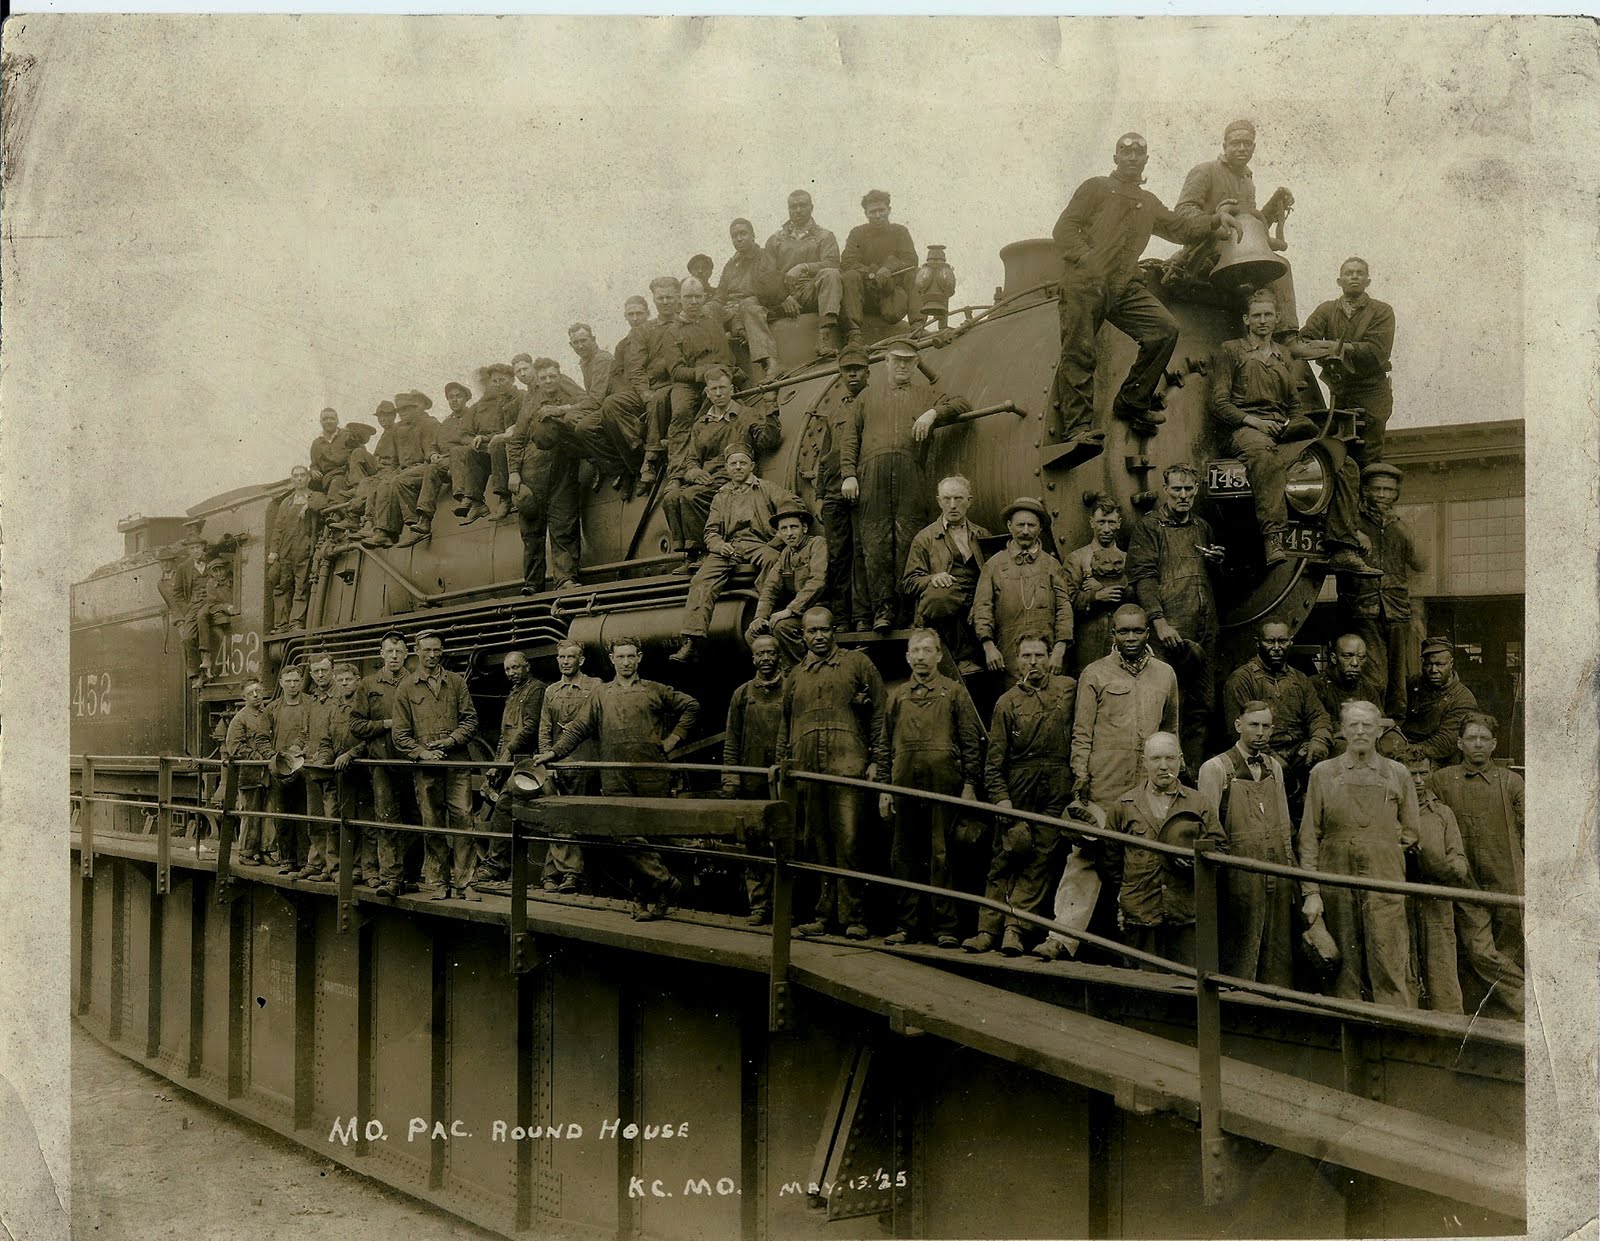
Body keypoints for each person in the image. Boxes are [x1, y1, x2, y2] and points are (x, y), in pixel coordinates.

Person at [1048, 131, 1238, 458]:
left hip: (1123, 285)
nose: (1132, 156)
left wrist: (1213, 222)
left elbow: (1179, 228)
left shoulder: (1148, 203)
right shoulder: (1095, 187)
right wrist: (1087, 259)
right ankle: (1077, 428)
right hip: (1084, 283)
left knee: (1164, 329)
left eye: (1139, 151)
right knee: (1080, 351)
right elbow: (1063, 229)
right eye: (1126, 150)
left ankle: (1133, 401)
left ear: (1147, 159)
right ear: (1116, 157)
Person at [1206, 288, 1379, 574]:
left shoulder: (1285, 356)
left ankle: (1343, 547)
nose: (1262, 321)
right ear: (1246, 320)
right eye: (1256, 316)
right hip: (1242, 430)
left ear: (1276, 319)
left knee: (1343, 464)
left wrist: (1295, 426)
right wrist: (1254, 422)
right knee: (1266, 457)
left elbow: (1294, 405)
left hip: (1279, 429)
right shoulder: (1231, 350)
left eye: (1268, 315)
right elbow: (1219, 403)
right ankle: (1273, 537)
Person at [532, 636, 694, 922]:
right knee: (623, 834)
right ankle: (664, 885)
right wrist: (553, 753)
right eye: (620, 657)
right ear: (612, 660)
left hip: (651, 774)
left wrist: (672, 741)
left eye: (631, 656)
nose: (626, 662)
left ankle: (645, 900)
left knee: (650, 835)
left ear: (639, 657)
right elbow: (579, 729)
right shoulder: (601, 694)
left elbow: (691, 707)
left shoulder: (653, 691)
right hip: (615, 774)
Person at [839, 339, 972, 631]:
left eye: (908, 361)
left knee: (908, 540)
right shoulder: (867, 396)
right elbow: (850, 438)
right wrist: (848, 473)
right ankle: (882, 612)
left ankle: (908, 613)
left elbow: (962, 402)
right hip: (871, 473)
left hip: (910, 472)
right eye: (896, 360)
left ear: (916, 364)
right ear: (886, 362)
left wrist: (933, 412)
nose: (902, 366)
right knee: (874, 543)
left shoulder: (926, 395)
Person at [1298, 700, 1420, 1007]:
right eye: (1353, 725)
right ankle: (1345, 1038)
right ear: (1342, 730)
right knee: (1342, 966)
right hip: (1335, 876)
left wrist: (1381, 847)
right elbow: (1309, 836)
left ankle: (1395, 1034)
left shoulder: (1398, 774)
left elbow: (1411, 832)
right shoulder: (1322, 774)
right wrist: (1311, 891)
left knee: (1390, 959)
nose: (1361, 731)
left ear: (1379, 730)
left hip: (1385, 878)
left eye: (1368, 725)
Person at [964, 633, 1077, 957]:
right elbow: (994, 762)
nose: (1033, 662)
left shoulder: (1068, 690)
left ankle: (1015, 930)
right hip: (1018, 786)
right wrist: (1002, 799)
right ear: (1016, 661)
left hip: (1055, 785)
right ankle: (987, 930)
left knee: (1039, 859)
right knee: (1005, 856)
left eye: (1039, 655)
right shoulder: (1006, 702)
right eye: (1026, 656)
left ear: (1049, 658)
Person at [777, 608, 885, 941]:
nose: (819, 637)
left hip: (846, 767)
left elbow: (881, 712)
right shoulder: (795, 675)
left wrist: (877, 760)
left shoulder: (857, 664)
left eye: (824, 630)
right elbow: (786, 724)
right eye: (812, 632)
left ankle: (854, 917)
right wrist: (784, 766)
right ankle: (823, 916)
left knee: (850, 841)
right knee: (817, 843)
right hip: (808, 770)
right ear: (803, 635)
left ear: (834, 631)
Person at [874, 630, 984, 948]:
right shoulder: (896, 696)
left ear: (938, 655)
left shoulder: (953, 693)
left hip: (944, 786)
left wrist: (970, 785)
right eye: (915, 651)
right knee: (903, 856)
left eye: (927, 650)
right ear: (907, 657)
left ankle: (944, 928)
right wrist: (885, 789)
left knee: (942, 855)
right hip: (904, 785)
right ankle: (906, 926)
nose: (921, 656)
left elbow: (969, 744)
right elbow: (884, 746)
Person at [1102, 732, 1225, 969]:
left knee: (1185, 987)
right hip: (1140, 914)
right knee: (1142, 986)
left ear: (1180, 760)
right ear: (1144, 762)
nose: (1163, 766)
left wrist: (1194, 861)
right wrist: (1130, 895)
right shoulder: (1124, 806)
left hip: (1185, 913)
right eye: (1156, 758)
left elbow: (1220, 850)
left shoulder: (1199, 803)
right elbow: (1110, 860)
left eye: (1169, 758)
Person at [1126, 463, 1221, 771]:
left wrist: (1218, 563)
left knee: (1201, 707)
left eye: (1189, 489)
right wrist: (1159, 621)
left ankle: (1190, 773)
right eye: (1177, 489)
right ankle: (1157, 776)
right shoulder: (1150, 526)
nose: (1183, 495)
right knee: (1165, 707)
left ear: (1196, 490)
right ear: (1165, 490)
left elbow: (1210, 579)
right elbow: (1144, 576)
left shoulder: (1202, 527)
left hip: (1204, 630)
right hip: (1170, 633)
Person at [1197, 701, 1297, 987]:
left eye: (1266, 726)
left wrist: (1288, 867)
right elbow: (1209, 829)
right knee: (1238, 948)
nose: (1260, 732)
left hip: (1274, 869)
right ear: (1238, 725)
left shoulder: (1274, 768)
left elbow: (1283, 823)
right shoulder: (1216, 769)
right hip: (1237, 874)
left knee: (1275, 950)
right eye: (1254, 725)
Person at [671, 448, 794, 663]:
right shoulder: (721, 496)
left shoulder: (767, 488)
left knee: (774, 562)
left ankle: (767, 624)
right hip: (730, 547)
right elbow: (710, 532)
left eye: (743, 463)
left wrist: (776, 541)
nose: (738, 468)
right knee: (701, 580)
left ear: (752, 466)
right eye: (733, 464)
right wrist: (720, 546)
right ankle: (693, 640)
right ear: (727, 468)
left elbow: (793, 505)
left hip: (759, 543)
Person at [660, 369, 780, 574]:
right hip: (705, 478)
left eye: (722, 388)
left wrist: (770, 405)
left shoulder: (747, 415)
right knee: (671, 497)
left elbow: (767, 440)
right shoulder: (701, 424)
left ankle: (706, 551)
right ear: (707, 392)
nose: (718, 393)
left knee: (691, 496)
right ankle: (690, 555)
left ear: (731, 389)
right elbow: (692, 460)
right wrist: (694, 472)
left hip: (732, 476)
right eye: (713, 389)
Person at [1428, 713, 1524, 962]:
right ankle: (1520, 996)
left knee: (1510, 950)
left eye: (1484, 738)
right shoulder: (1441, 781)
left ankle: (1506, 999)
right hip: (1466, 881)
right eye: (1472, 738)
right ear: (1460, 743)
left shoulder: (1512, 782)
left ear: (1494, 744)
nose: (1478, 743)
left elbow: (1529, 832)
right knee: (1480, 952)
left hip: (1507, 881)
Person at [393, 630, 480, 901]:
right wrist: (423, 753)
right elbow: (400, 734)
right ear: (417, 652)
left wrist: (451, 741)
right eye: (427, 650)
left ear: (442, 652)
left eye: (437, 651)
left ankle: (465, 883)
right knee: (432, 824)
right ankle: (439, 882)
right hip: (426, 768)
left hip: (457, 763)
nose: (432, 656)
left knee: (463, 819)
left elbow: (471, 720)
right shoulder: (406, 688)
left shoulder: (456, 682)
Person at [1072, 605, 1181, 808]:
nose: (1131, 637)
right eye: (1123, 631)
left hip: (1149, 781)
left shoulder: (1165, 674)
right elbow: (1082, 733)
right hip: (1105, 780)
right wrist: (1081, 774)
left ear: (1147, 633)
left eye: (1138, 631)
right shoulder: (1094, 673)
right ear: (1113, 634)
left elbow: (1170, 731)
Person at [1223, 621, 1334, 816]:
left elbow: (1318, 715)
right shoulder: (1241, 679)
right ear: (1258, 643)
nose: (1276, 648)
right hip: (1261, 753)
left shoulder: (1299, 679)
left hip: (1300, 754)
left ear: (1291, 642)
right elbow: (1240, 732)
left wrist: (1318, 741)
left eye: (1282, 641)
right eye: (1270, 641)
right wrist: (1272, 759)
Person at [795, 345, 871, 629]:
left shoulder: (876, 401)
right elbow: (825, 456)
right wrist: (818, 496)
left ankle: (863, 615)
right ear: (840, 374)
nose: (852, 374)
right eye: (846, 369)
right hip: (835, 492)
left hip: (864, 490)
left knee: (863, 553)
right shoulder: (835, 411)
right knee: (838, 556)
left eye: (858, 369)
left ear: (867, 371)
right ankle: (841, 617)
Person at [1167, 118, 1294, 285]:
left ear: (1253, 147)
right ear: (1225, 146)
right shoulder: (1206, 171)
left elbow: (1250, 228)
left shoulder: (1248, 181)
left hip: (1238, 254)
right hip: (1204, 253)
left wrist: (1276, 205)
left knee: (1282, 267)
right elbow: (1182, 213)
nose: (1242, 148)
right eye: (1236, 143)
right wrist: (1214, 222)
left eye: (1247, 143)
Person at [1295, 257, 1396, 464]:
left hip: (1372, 390)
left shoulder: (1382, 311)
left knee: (1370, 450)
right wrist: (1331, 347)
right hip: (1339, 390)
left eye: (1360, 273)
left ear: (1367, 281)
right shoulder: (1326, 310)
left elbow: (1377, 350)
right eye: (1349, 273)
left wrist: (1335, 348)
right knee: (1338, 448)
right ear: (1339, 281)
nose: (1354, 277)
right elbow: (1303, 340)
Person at [1348, 462, 1427, 717]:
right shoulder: (1352, 522)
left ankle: (1395, 728)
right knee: (1374, 675)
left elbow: (1420, 564)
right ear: (1365, 491)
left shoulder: (1402, 526)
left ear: (1396, 494)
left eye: (1388, 490)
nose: (1382, 495)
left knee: (1399, 677)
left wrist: (1413, 535)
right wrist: (1354, 534)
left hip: (1396, 609)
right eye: (1377, 489)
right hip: (1364, 606)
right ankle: (1372, 722)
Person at [721, 634, 787, 925]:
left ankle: (787, 907)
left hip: (784, 780)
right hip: (752, 780)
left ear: (779, 656)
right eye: (760, 654)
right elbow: (732, 741)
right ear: (753, 659)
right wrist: (731, 778)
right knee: (755, 845)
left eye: (771, 653)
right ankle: (760, 906)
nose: (766, 658)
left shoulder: (791, 689)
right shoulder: (742, 694)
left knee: (787, 844)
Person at [505, 359, 588, 593]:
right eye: (544, 378)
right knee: (532, 533)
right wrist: (513, 473)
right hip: (532, 473)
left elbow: (590, 404)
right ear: (538, 381)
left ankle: (565, 579)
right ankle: (532, 584)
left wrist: (561, 410)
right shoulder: (530, 405)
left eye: (552, 376)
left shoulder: (569, 397)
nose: (549, 381)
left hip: (563, 472)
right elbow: (517, 440)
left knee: (564, 526)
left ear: (559, 376)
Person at [971, 497, 1073, 683]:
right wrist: (989, 647)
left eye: (1031, 525)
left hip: (1047, 655)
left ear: (1040, 529)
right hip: (1007, 655)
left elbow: (1064, 609)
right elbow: (982, 608)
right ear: (1009, 526)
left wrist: (1059, 649)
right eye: (1020, 525)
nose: (1025, 531)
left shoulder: (1051, 565)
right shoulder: (993, 566)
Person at [645, 277, 737, 482]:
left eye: (697, 296)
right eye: (688, 297)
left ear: (704, 297)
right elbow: (676, 371)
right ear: (680, 300)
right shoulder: (672, 331)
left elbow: (725, 355)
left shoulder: (712, 323)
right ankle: (677, 473)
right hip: (687, 383)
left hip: (716, 377)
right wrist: (702, 373)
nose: (694, 301)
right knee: (682, 413)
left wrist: (719, 375)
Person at [902, 475, 990, 675]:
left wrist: (981, 602)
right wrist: (931, 578)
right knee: (941, 594)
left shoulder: (982, 534)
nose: (952, 505)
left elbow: (993, 575)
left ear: (969, 501)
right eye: (947, 499)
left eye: (958, 499)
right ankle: (962, 658)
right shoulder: (924, 538)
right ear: (939, 501)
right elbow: (908, 583)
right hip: (944, 603)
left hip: (977, 599)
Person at [349, 630, 413, 897]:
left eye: (399, 652)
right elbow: (355, 724)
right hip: (381, 760)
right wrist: (386, 725)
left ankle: (409, 875)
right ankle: (390, 877)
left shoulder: (416, 682)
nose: (394, 656)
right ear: (381, 654)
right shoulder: (367, 685)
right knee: (386, 817)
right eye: (389, 651)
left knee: (413, 819)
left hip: (412, 761)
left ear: (407, 654)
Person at [535, 640, 600, 893]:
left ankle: (556, 873)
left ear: (580, 660)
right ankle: (567, 874)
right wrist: (546, 760)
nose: (565, 661)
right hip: (557, 763)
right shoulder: (551, 691)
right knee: (557, 818)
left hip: (585, 761)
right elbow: (544, 728)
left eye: (570, 657)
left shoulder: (594, 687)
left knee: (573, 818)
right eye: (561, 657)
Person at [1406, 758, 1470, 1013]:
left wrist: (1445, 867)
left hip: (1436, 899)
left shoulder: (1443, 813)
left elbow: (1459, 858)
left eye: (1424, 772)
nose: (1419, 780)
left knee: (1442, 968)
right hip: (1399, 899)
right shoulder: (1388, 810)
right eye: (1412, 774)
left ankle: (1451, 1032)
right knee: (1404, 967)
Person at [478, 651, 546, 886]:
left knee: (505, 804)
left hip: (525, 759)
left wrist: (507, 753)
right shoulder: (513, 693)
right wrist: (497, 763)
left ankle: (497, 865)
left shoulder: (536, 689)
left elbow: (530, 728)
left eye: (516, 667)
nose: (512, 673)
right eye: (508, 669)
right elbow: (503, 734)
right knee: (503, 805)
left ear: (527, 667)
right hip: (510, 759)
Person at [581, 296, 660, 493]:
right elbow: (615, 375)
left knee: (612, 407)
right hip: (629, 396)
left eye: (639, 313)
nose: (635, 318)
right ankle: (626, 468)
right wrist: (623, 395)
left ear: (648, 314)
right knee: (585, 426)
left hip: (654, 390)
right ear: (625, 316)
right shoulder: (622, 345)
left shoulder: (658, 333)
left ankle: (642, 467)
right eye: (631, 314)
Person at [746, 503, 829, 667]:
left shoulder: (817, 544)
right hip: (799, 613)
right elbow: (770, 587)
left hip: (819, 609)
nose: (789, 533)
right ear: (779, 533)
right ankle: (780, 672)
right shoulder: (785, 554)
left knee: (782, 627)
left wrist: (790, 610)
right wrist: (760, 617)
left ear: (804, 528)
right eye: (784, 529)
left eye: (794, 527)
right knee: (753, 633)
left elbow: (817, 581)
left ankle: (802, 671)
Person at [766, 189, 845, 357]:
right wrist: (783, 297)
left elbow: (833, 263)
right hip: (785, 296)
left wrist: (804, 266)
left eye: (802, 205)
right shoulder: (776, 239)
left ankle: (824, 337)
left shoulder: (825, 236)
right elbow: (767, 274)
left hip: (812, 291)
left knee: (831, 274)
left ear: (811, 207)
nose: (798, 210)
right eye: (793, 206)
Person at [306, 662, 366, 884]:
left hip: (358, 771)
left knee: (356, 822)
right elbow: (326, 740)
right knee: (332, 820)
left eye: (347, 680)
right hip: (334, 773)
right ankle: (334, 868)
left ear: (357, 680)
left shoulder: (365, 705)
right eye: (340, 681)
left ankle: (357, 868)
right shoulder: (334, 707)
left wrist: (350, 754)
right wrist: (323, 758)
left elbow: (369, 738)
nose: (343, 684)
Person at [402, 380, 476, 545]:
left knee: (441, 464)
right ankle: (424, 519)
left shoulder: (474, 416)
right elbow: (432, 446)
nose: (454, 400)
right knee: (431, 468)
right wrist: (433, 454)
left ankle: (464, 498)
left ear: (466, 398)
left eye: (458, 396)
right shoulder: (446, 423)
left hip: (465, 457)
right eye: (450, 397)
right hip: (443, 462)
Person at [363, 391, 439, 549]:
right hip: (404, 469)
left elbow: (431, 451)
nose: (403, 414)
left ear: (415, 409)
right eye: (400, 411)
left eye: (406, 410)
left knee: (398, 481)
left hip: (423, 465)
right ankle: (384, 534)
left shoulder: (429, 424)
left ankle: (413, 521)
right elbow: (395, 459)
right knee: (384, 485)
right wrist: (391, 472)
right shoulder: (399, 431)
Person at [840, 189, 916, 345]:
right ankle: (854, 332)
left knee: (916, 273)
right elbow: (847, 262)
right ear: (866, 213)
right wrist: (872, 273)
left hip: (892, 293)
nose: (878, 215)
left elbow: (910, 259)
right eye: (872, 212)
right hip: (866, 294)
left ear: (889, 210)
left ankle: (917, 327)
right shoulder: (857, 233)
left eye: (881, 210)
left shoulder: (900, 231)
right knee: (850, 276)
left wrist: (889, 269)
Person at [714, 218, 784, 384]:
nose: (738, 238)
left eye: (743, 233)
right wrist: (712, 307)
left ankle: (771, 362)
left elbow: (768, 288)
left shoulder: (764, 256)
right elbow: (720, 294)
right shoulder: (730, 265)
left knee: (748, 306)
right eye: (734, 235)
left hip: (758, 303)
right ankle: (724, 368)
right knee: (709, 311)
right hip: (732, 309)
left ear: (753, 235)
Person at [1064, 497, 1127, 674]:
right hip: (1087, 638)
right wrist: (1095, 597)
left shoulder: (1127, 559)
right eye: (1101, 522)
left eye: (1111, 522)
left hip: (1120, 639)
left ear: (1119, 523)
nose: (1106, 529)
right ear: (1092, 522)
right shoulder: (1076, 558)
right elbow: (1066, 600)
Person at [1395, 638, 1480, 768]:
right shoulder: (1413, 684)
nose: (1433, 670)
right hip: (1405, 751)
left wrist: (1405, 752)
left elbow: (1444, 743)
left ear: (1451, 664)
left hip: (1439, 762)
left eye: (1440, 664)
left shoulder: (1463, 699)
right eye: (1428, 664)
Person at [266, 664, 316, 874]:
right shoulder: (272, 709)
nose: (293, 685)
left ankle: (305, 860)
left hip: (303, 768)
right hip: (280, 768)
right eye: (288, 681)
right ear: (281, 683)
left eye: (296, 681)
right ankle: (287, 859)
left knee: (304, 814)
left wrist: (300, 750)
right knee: (282, 816)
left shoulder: (311, 704)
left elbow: (312, 731)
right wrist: (272, 757)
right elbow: (262, 736)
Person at [226, 680, 276, 865]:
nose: (255, 695)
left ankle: (266, 851)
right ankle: (246, 853)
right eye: (250, 693)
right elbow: (234, 746)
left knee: (268, 812)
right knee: (250, 813)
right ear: (244, 697)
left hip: (268, 772)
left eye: (257, 691)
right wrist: (257, 757)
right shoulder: (240, 719)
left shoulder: (268, 714)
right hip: (249, 773)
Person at [268, 466, 321, 632]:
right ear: (292, 480)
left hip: (303, 549)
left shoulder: (315, 496)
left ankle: (296, 622)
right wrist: (273, 550)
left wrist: (308, 505)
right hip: (286, 550)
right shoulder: (286, 502)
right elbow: (278, 528)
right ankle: (281, 625)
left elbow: (323, 502)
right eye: (296, 476)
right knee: (282, 587)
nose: (299, 479)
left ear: (308, 479)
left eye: (302, 476)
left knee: (301, 587)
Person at [1313, 634, 1387, 750]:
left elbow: (1380, 722)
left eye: (1361, 657)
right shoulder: (1317, 686)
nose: (1355, 663)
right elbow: (1318, 725)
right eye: (1348, 656)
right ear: (1334, 658)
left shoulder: (1367, 689)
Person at [347, 399, 400, 532]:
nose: (382, 419)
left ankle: (364, 519)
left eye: (386, 415)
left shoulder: (398, 430)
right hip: (379, 467)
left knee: (370, 485)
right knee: (358, 453)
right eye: (380, 416)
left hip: (391, 469)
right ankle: (356, 487)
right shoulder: (384, 434)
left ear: (393, 416)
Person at [308, 407, 352, 508]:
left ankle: (336, 514)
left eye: (332, 418)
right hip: (327, 478)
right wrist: (313, 471)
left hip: (346, 474)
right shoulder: (316, 444)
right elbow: (314, 465)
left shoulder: (347, 436)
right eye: (325, 419)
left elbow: (358, 455)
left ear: (337, 421)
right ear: (320, 422)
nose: (328, 421)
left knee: (337, 482)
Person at [568, 322, 614, 401]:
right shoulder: (585, 361)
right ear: (571, 345)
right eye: (575, 342)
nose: (580, 346)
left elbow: (596, 400)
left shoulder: (602, 359)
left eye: (583, 340)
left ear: (593, 339)